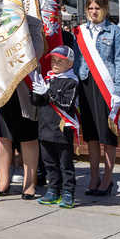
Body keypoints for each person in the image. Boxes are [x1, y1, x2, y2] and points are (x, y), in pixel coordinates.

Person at [73, 0, 120, 197]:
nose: (94, 12)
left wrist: (119, 92)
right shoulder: (80, 32)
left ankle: (107, 178)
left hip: (107, 88)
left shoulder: (115, 32)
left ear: (105, 9)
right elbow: (77, 62)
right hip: (86, 86)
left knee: (107, 135)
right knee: (92, 135)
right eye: (90, 8)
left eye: (97, 8)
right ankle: (94, 176)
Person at [31, 46, 79, 209]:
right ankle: (53, 189)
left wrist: (47, 92)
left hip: (61, 130)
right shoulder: (48, 78)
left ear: (70, 64)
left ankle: (68, 192)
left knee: (65, 163)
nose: (55, 63)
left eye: (60, 61)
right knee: (49, 162)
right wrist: (36, 90)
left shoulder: (71, 81)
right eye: (53, 60)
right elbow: (35, 102)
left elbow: (65, 103)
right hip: (45, 128)